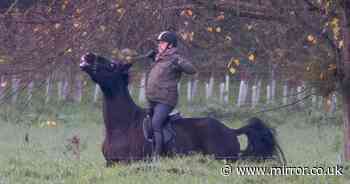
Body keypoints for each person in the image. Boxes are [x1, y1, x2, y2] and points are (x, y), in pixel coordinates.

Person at [145, 31, 197, 158]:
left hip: (166, 100)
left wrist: (179, 62)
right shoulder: (160, 58)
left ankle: (157, 156)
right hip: (153, 99)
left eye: (162, 43)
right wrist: (153, 59)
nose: (159, 45)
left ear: (170, 45)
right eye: (159, 43)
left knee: (156, 123)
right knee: (146, 123)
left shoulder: (175, 58)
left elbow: (192, 69)